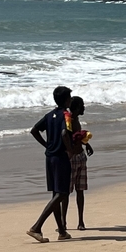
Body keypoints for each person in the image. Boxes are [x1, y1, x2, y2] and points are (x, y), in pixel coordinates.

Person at [27, 86, 73, 243]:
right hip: (60, 157)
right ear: (66, 100)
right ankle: (37, 227)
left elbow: (34, 130)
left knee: (56, 194)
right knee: (62, 193)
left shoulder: (49, 115)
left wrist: (47, 145)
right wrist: (70, 150)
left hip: (49, 157)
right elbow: (64, 133)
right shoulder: (66, 115)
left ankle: (62, 231)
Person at [62, 96, 94, 231]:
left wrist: (86, 144)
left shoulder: (75, 119)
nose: (84, 108)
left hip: (80, 156)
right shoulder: (69, 120)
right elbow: (68, 138)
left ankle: (80, 221)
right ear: (77, 108)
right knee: (67, 192)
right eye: (82, 106)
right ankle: (64, 222)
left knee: (79, 190)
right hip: (73, 158)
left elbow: (77, 137)